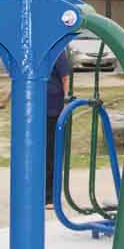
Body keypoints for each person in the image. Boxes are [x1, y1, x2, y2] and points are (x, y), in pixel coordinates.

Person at [44, 46, 72, 207]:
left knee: (51, 154)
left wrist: (66, 102)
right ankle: (39, 193)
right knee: (39, 154)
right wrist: (5, 99)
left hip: (54, 110)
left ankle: (50, 197)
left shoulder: (56, 51)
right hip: (37, 111)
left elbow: (66, 77)